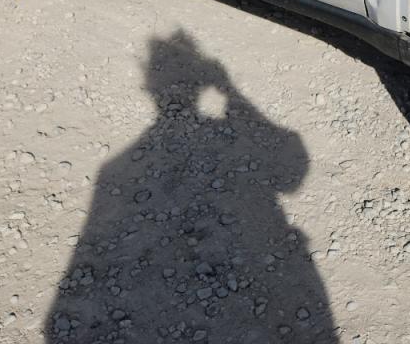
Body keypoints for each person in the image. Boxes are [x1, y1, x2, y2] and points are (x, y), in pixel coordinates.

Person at [47, 30, 336, 342]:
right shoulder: (114, 168)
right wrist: (232, 92)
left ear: (148, 88)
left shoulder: (114, 169)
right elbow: (292, 174)